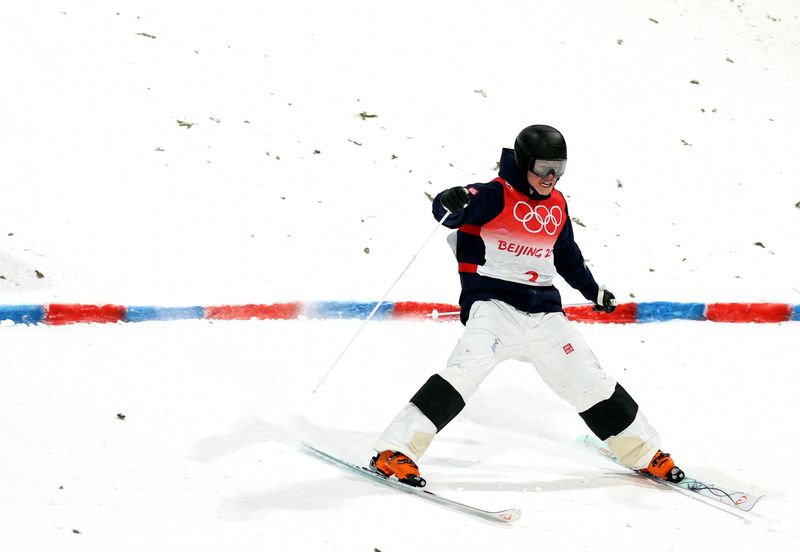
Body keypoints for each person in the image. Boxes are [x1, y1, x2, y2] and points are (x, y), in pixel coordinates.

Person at [370, 124, 684, 488]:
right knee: (462, 372)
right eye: (543, 168)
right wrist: (449, 200)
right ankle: (395, 450)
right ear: (522, 162)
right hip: (493, 309)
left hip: (544, 316)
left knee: (590, 381)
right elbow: (450, 210)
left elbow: (567, 256)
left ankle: (646, 455)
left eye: (558, 169)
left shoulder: (557, 205)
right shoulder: (493, 196)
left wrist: (593, 291)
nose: (550, 178)